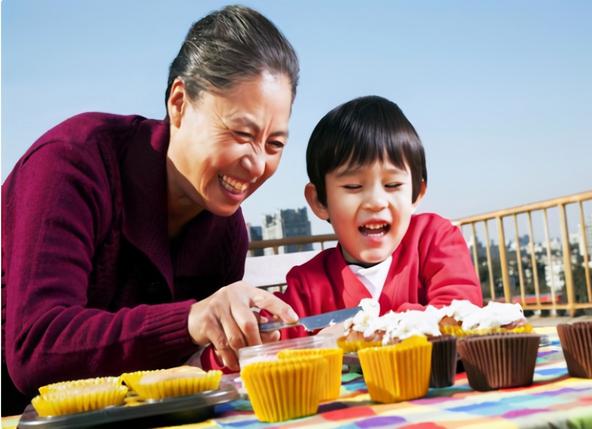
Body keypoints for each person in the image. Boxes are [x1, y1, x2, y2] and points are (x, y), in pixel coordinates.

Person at [1, 5, 300, 415]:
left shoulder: (227, 234)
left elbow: (181, 372)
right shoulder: (73, 161)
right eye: (241, 133)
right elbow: (35, 347)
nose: (256, 164)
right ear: (179, 103)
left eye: (274, 144)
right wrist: (191, 321)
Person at [278, 95, 483, 339]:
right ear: (320, 201)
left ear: (417, 193)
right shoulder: (307, 286)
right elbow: (266, 344)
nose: (376, 202)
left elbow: (458, 312)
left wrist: (370, 330)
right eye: (353, 186)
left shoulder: (434, 239)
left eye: (393, 184)